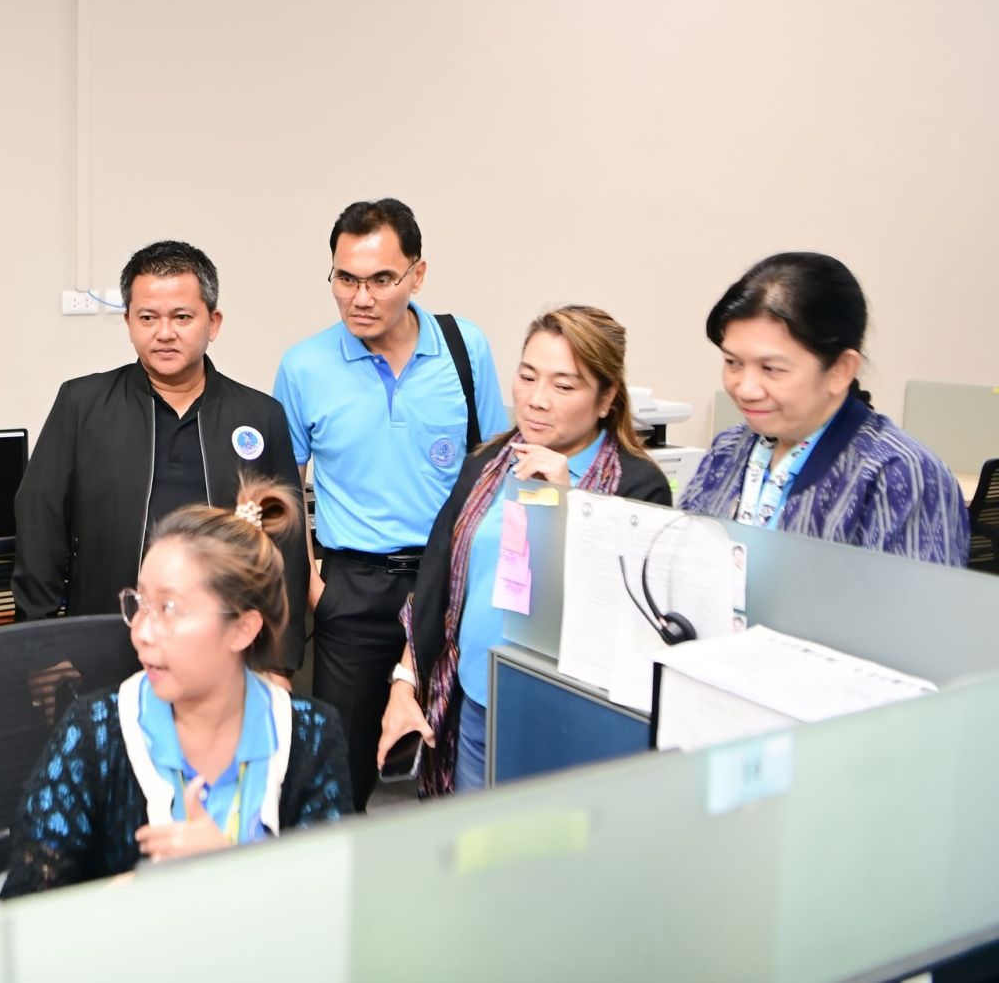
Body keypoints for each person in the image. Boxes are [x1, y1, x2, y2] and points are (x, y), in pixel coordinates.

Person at [0, 477, 352, 897]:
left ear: (243, 628)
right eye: (139, 603)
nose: (141, 632)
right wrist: (125, 897)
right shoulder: (95, 733)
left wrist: (230, 869)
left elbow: (332, 905)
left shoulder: (309, 735)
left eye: (169, 608)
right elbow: (23, 905)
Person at [378, 305, 671, 795]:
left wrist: (564, 507)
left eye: (564, 386)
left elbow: (622, 626)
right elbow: (436, 580)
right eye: (528, 376)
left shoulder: (639, 488)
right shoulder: (489, 463)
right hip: (475, 700)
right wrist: (404, 681)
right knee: (474, 837)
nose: (536, 400)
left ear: (605, 399)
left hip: (568, 719)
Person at [272, 198, 506, 809]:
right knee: (338, 778)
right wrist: (315, 585)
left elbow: (492, 471)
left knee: (455, 767)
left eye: (381, 279)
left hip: (449, 585)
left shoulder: (464, 348)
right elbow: (279, 491)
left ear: (417, 275)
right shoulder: (304, 366)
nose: (361, 297)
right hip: (354, 590)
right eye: (345, 279)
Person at [12, 240, 310, 681]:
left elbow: (285, 546)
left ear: (213, 322)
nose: (164, 332)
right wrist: (40, 649)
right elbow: (40, 522)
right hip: (103, 645)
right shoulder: (82, 404)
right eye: (148, 317)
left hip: (224, 650)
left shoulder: (259, 415)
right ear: (128, 322)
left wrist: (277, 661)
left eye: (182, 317)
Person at [680, 253, 968, 566]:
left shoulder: (899, 473)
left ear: (841, 370)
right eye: (733, 362)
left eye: (772, 369)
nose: (745, 389)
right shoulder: (727, 449)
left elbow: (917, 596)